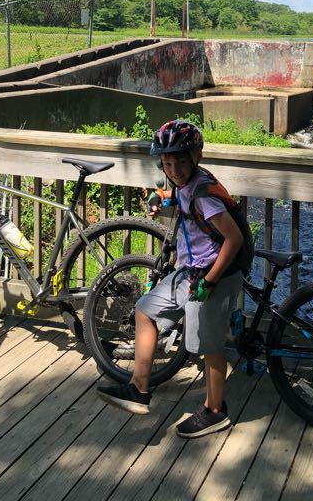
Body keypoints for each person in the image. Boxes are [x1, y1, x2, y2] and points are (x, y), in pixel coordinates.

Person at [96, 119, 244, 438]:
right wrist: (161, 198)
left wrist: (210, 282)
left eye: (179, 160)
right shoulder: (185, 185)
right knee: (145, 310)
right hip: (189, 273)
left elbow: (234, 240)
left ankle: (216, 411)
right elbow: (179, 195)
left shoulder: (205, 195)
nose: (174, 168)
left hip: (212, 275)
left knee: (210, 346)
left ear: (196, 156)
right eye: (167, 162)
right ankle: (139, 387)